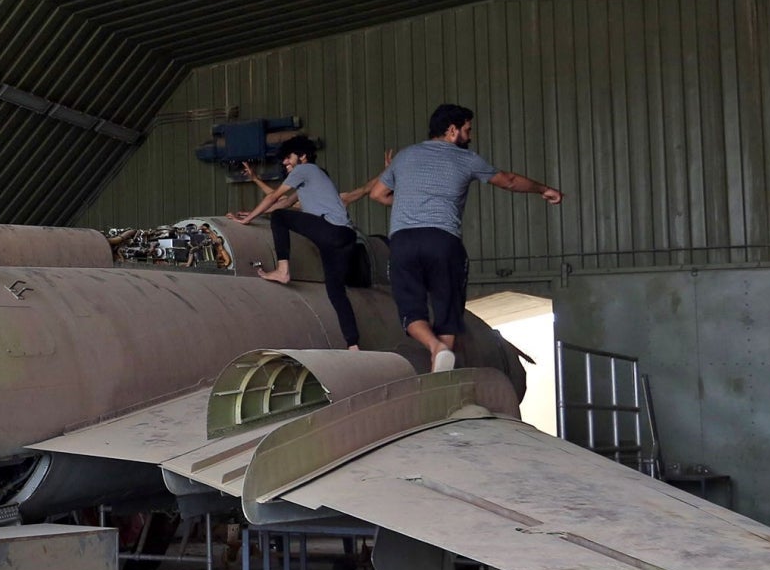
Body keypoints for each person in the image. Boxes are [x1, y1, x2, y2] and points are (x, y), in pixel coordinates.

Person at [368, 104, 560, 371]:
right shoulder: (467, 159)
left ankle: (436, 348)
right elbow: (509, 180)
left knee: (411, 308)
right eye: (467, 130)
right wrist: (544, 189)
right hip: (442, 241)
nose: (469, 137)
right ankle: (443, 360)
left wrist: (411, 198)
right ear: (452, 130)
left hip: (403, 243)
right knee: (448, 308)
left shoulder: (405, 156)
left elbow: (378, 194)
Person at [230, 137, 374, 347]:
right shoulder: (308, 183)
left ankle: (282, 270)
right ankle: (353, 344)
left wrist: (247, 220)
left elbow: (275, 200)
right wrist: (252, 213)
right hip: (344, 239)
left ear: (303, 156)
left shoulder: (305, 169)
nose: (285, 163)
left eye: (288, 158)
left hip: (331, 231)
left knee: (280, 217)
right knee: (336, 292)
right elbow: (285, 202)